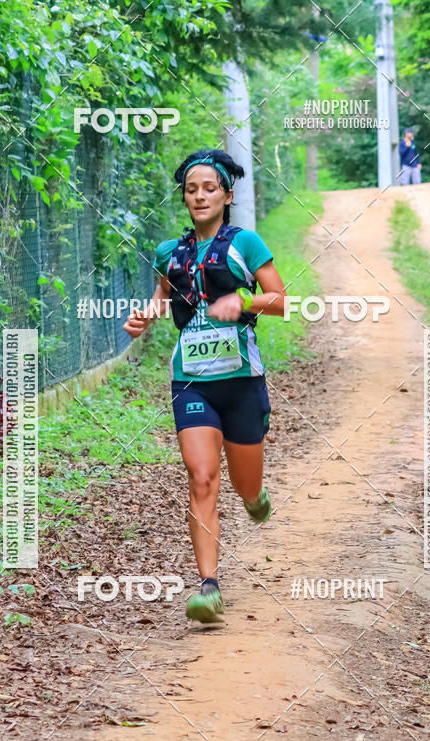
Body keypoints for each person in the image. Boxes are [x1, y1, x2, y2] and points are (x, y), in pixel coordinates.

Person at [123, 149, 287, 624]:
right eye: (191, 189)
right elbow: (161, 299)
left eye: (209, 188)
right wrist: (144, 318)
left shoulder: (246, 243)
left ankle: (256, 498)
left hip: (241, 383)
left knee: (244, 485)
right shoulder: (169, 253)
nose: (199, 196)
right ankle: (209, 588)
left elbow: (281, 300)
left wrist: (243, 299)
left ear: (226, 195)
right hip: (191, 382)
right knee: (201, 477)